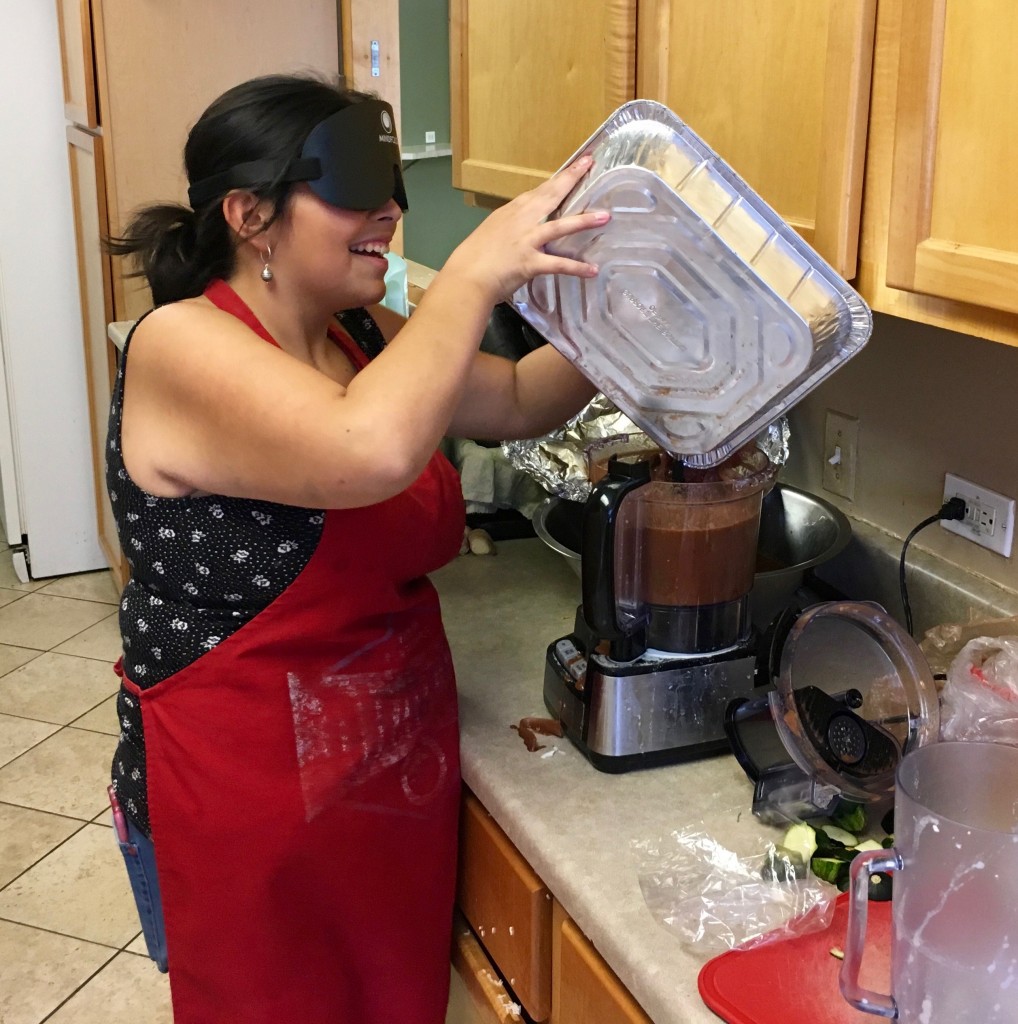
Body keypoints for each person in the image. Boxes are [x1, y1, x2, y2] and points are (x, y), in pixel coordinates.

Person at [104, 72, 605, 1024]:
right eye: (352, 191)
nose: (388, 211)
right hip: (244, 806)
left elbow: (515, 401)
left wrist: (634, 303)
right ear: (250, 214)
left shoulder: (359, 330)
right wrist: (471, 277)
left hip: (381, 773)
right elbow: (365, 450)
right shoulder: (180, 344)